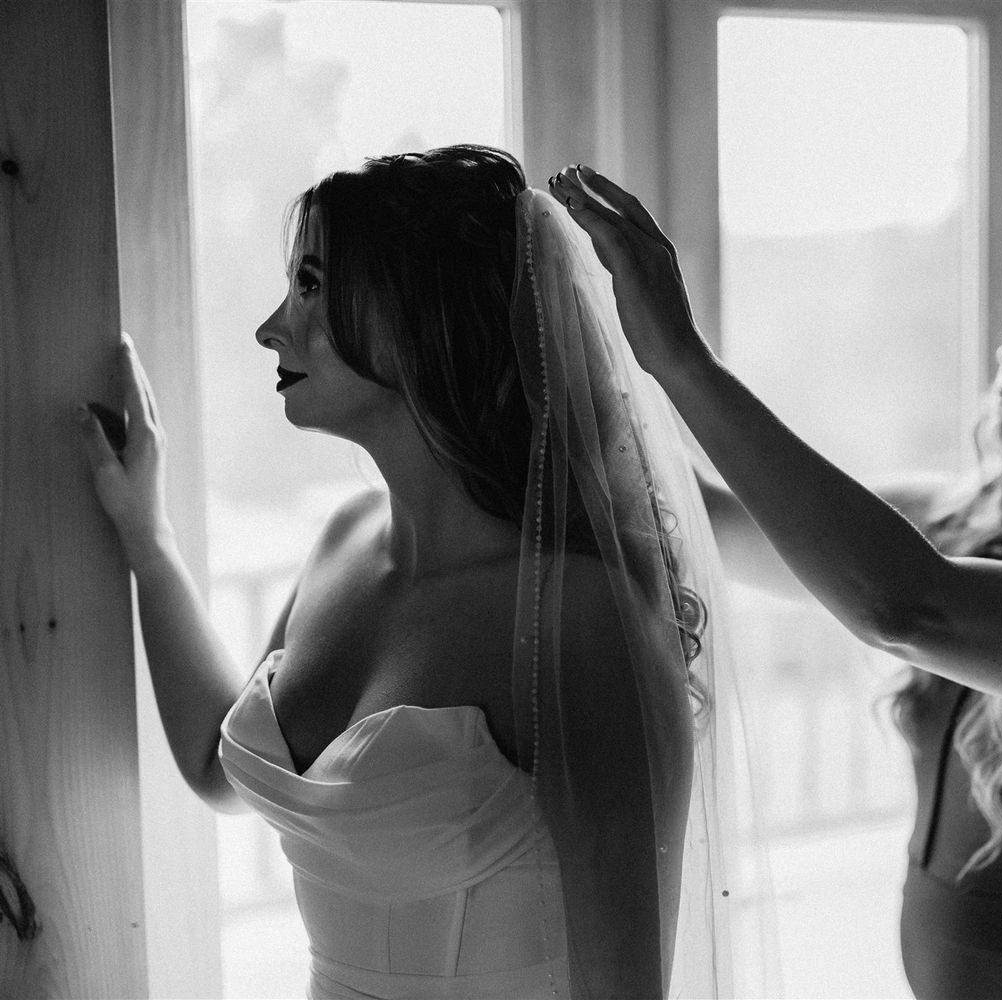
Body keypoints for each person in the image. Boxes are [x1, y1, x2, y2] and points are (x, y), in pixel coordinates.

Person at [552, 165, 1002, 999]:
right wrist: (582, 370)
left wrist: (683, 362)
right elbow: (710, 528)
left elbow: (903, 606)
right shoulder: (957, 518)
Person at [77, 146, 741, 1000]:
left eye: (310, 285)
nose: (272, 326)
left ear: (418, 314)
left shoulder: (578, 619)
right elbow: (218, 763)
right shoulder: (345, 540)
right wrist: (147, 538)